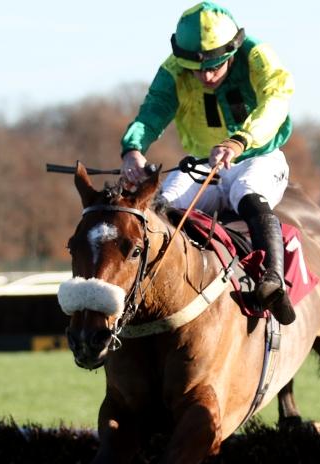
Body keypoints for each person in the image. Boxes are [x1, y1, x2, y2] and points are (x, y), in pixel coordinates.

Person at [119, 2, 296, 324]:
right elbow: (153, 111)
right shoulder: (174, 68)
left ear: (232, 49)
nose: (206, 76)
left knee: (246, 190)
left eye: (215, 66)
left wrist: (239, 140)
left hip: (258, 157)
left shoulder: (257, 55)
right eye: (197, 69)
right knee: (160, 208)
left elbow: (276, 100)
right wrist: (133, 149)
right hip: (204, 164)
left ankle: (273, 280)